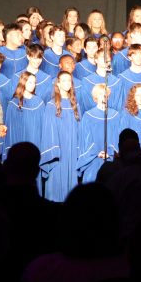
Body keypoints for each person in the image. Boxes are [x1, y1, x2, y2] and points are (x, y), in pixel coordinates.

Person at [40, 71, 82, 202]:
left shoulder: (75, 104)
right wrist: (55, 151)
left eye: (69, 80)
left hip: (72, 149)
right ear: (58, 83)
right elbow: (48, 130)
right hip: (58, 152)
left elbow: (80, 129)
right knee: (56, 184)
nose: (67, 83)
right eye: (64, 80)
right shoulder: (51, 105)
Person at [78, 83, 120, 182]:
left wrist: (110, 153)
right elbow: (84, 139)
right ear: (95, 97)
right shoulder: (88, 116)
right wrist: (96, 152)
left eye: (105, 94)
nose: (104, 97)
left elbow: (118, 138)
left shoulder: (115, 115)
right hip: (93, 159)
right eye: (100, 94)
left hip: (111, 159)